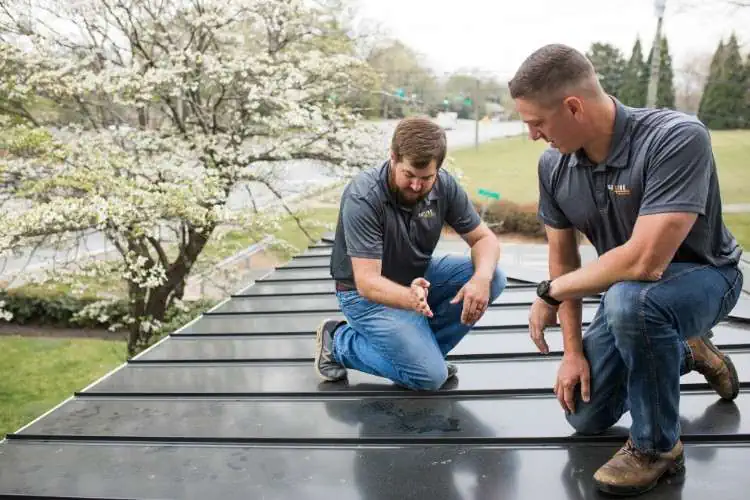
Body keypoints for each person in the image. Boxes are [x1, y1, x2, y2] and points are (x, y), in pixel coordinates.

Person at [508, 44, 744, 496]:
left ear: (573, 106)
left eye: (536, 122)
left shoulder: (676, 136)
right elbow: (564, 262)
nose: (534, 135)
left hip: (708, 277)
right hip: (634, 298)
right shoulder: (553, 166)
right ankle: (689, 353)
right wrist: (572, 353)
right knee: (584, 415)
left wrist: (549, 292)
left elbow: (644, 262)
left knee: (631, 300)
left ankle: (657, 448)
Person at [313, 116, 507, 391]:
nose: (416, 186)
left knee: (494, 276)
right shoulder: (364, 196)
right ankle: (338, 342)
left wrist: (481, 279)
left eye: (426, 178)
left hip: (418, 279)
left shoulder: (444, 186)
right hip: (364, 296)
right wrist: (408, 298)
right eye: (409, 176)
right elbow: (367, 283)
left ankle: (422, 358)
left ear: (438, 169)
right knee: (430, 378)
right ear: (393, 158)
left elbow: (484, 239)